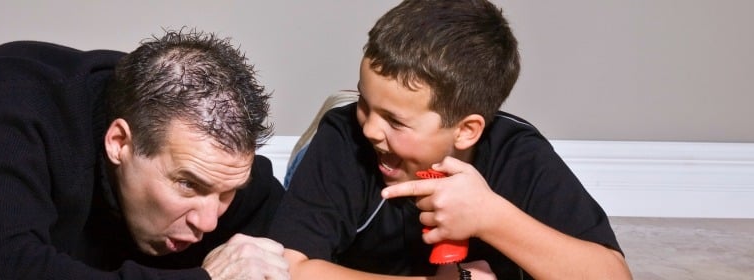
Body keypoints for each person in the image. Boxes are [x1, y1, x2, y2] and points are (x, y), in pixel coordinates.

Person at [0, 29, 289, 280]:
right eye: (187, 185)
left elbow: (297, 249)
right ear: (119, 142)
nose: (209, 221)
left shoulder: (208, 158)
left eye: (226, 193)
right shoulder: (12, 111)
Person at [268, 1, 632, 279]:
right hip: (336, 156)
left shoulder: (517, 153)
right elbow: (288, 268)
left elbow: (612, 273)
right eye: (367, 102)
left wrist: (491, 218)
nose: (371, 129)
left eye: (395, 119)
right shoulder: (347, 139)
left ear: (466, 131)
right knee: (332, 132)